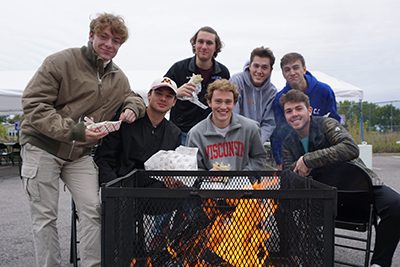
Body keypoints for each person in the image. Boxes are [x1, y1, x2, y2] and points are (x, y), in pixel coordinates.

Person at [19, 13, 146, 267]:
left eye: (117, 41)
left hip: (79, 155)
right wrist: (76, 131)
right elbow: (33, 106)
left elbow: (134, 97)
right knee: (45, 217)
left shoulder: (117, 77)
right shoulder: (59, 62)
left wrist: (133, 106)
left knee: (93, 210)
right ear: (91, 36)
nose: (110, 44)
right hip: (43, 146)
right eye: (104, 37)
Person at [280, 89, 400, 267]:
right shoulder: (288, 143)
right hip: (321, 198)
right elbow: (289, 173)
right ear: (285, 115)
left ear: (310, 110)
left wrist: (309, 160)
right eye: (289, 111)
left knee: (396, 204)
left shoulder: (326, 124)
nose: (294, 114)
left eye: (299, 109)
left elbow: (350, 148)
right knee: (281, 205)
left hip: (358, 187)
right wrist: (297, 172)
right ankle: (301, 255)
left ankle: (379, 263)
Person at [94, 76, 181, 183]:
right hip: (122, 187)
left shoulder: (174, 133)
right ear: (149, 95)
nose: (163, 99)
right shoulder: (127, 120)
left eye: (169, 96)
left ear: (174, 102)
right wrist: (113, 187)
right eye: (158, 93)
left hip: (156, 193)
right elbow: (104, 158)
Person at [271, 52, 340, 169]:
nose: (292, 73)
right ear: (283, 74)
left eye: (296, 67)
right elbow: (278, 133)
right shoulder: (279, 99)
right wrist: (279, 161)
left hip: (324, 155)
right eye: (287, 70)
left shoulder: (324, 91)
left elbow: (335, 121)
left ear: (304, 69)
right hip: (295, 157)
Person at [165, 26, 230, 144]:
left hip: (209, 134)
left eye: (209, 43)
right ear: (194, 45)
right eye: (200, 42)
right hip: (180, 133)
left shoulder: (223, 72)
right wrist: (176, 92)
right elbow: (160, 95)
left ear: (216, 47)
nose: (204, 46)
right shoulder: (178, 68)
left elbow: (226, 102)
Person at [186, 79, 268, 171]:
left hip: (244, 184)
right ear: (209, 102)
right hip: (209, 184)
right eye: (218, 101)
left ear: (234, 103)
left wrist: (243, 176)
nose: (223, 107)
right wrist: (208, 176)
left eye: (228, 102)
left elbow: (259, 158)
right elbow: (193, 167)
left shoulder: (251, 128)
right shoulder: (195, 134)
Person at [230, 46, 277, 144]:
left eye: (264, 67)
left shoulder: (272, 92)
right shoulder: (236, 81)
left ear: (270, 70)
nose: (259, 71)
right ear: (250, 66)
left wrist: (256, 143)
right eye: (256, 66)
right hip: (234, 139)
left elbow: (269, 123)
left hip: (256, 141)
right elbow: (233, 115)